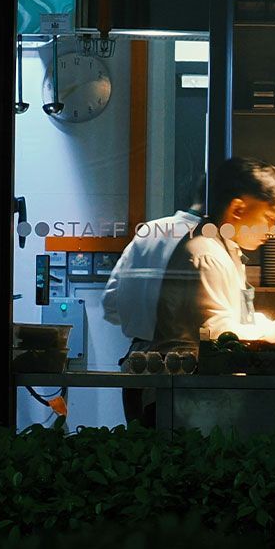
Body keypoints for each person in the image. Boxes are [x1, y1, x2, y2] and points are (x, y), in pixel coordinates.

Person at [152, 157, 275, 351]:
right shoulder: (207, 255)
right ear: (237, 209)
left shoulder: (226, 249)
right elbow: (218, 333)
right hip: (191, 374)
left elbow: (240, 318)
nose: (272, 229)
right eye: (269, 218)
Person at [102, 182, 204, 426]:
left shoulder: (151, 230)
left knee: (141, 454)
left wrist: (143, 322)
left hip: (137, 364)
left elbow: (110, 303)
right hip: (186, 370)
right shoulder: (210, 240)